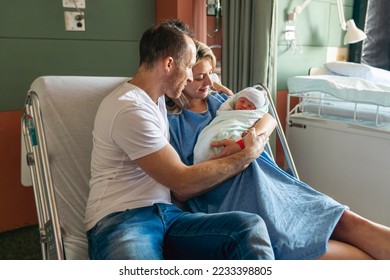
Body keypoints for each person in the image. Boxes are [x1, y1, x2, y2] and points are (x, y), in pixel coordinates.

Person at [167, 40, 390, 260]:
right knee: (328, 251)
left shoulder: (221, 100)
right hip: (235, 194)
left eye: (211, 74)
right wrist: (236, 155)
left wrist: (250, 143)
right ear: (181, 74)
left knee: (345, 219)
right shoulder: (173, 122)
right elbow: (183, 187)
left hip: (268, 177)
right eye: (199, 77)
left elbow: (267, 118)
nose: (209, 82)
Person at [84, 19, 275, 260]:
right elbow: (182, 181)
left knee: (248, 227)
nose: (189, 77)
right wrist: (247, 154)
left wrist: (225, 93)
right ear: (168, 64)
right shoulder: (128, 109)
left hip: (168, 216)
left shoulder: (156, 97)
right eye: (188, 67)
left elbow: (205, 87)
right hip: (122, 219)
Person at [193, 87, 269, 163]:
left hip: (245, 145)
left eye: (250, 106)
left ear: (255, 111)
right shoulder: (226, 109)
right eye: (242, 101)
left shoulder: (250, 116)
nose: (244, 106)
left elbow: (270, 119)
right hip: (224, 150)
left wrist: (242, 143)